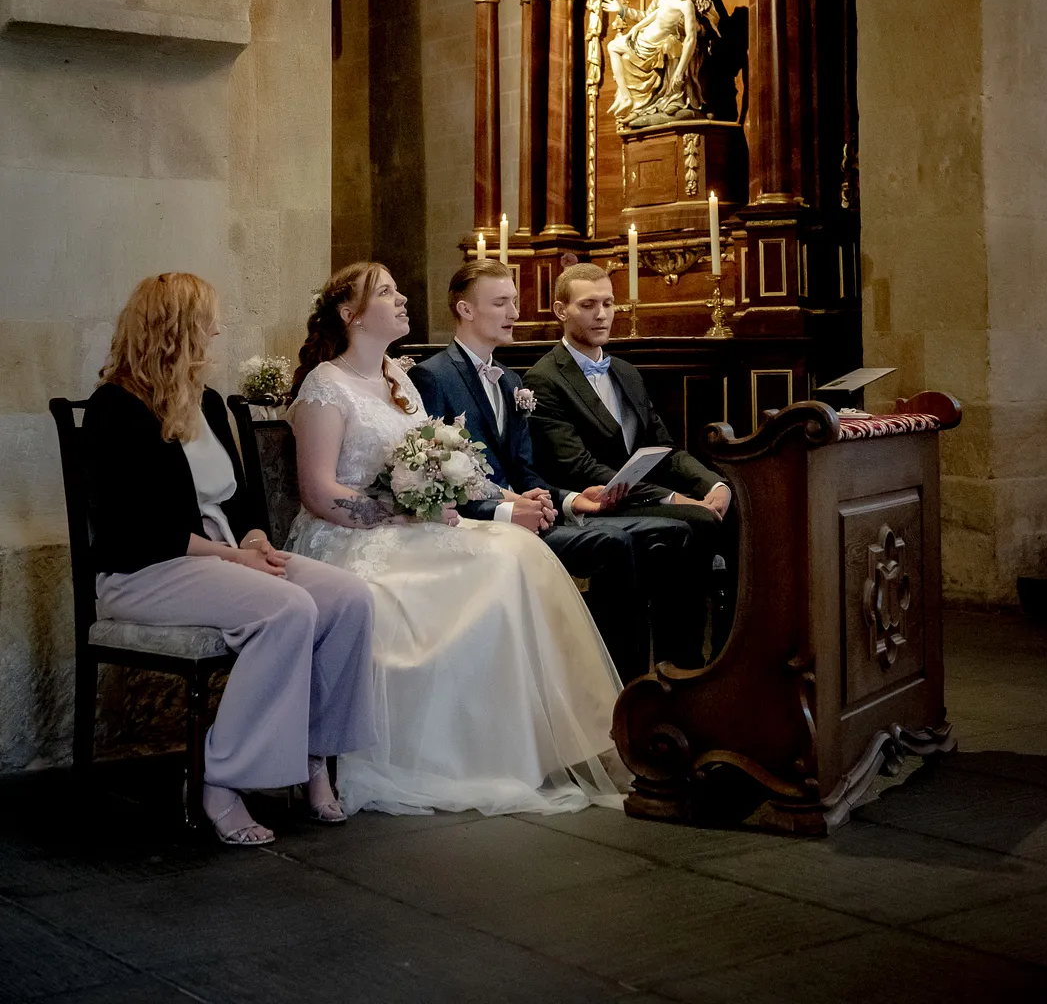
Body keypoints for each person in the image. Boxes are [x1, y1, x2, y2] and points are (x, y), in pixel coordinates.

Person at [284, 261, 625, 817]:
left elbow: (426, 460)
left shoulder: (398, 378)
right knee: (488, 567)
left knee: (518, 552)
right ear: (350, 314)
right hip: (348, 538)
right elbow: (319, 493)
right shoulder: (327, 384)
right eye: (387, 293)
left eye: (399, 288)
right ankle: (434, 755)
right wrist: (397, 510)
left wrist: (435, 498)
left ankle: (517, 746)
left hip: (409, 524)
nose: (401, 300)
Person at [82, 273, 376, 847]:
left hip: (221, 558)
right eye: (207, 320)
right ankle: (221, 779)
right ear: (174, 330)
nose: (217, 329)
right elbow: (136, 529)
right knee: (287, 608)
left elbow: (240, 501)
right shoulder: (114, 408)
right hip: (144, 571)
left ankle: (314, 755)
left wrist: (256, 540)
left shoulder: (208, 403)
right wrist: (231, 557)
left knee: (349, 598)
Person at [408, 261, 703, 681]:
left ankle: (669, 681)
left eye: (514, 301)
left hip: (530, 512)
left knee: (673, 533)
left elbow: (526, 471)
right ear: (465, 310)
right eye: (501, 303)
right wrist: (510, 510)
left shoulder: (511, 381)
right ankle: (619, 687)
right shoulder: (432, 376)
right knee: (612, 543)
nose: (514, 313)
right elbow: (436, 478)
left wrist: (570, 499)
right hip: (474, 521)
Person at [526, 263, 732, 533]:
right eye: (588, 305)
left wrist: (714, 484)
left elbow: (664, 450)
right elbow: (578, 467)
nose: (602, 315)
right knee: (700, 517)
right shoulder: (544, 379)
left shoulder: (626, 371)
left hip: (639, 496)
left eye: (608, 304)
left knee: (734, 505)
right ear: (561, 311)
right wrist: (672, 498)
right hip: (594, 505)